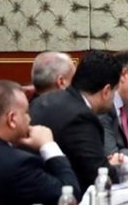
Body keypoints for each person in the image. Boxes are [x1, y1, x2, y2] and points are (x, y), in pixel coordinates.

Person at [0, 80, 81, 205]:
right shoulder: (18, 165)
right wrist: (48, 145)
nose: (30, 119)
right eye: (26, 113)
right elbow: (70, 196)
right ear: (12, 119)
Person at [30, 50, 122, 190]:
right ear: (106, 91)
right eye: (115, 91)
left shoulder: (42, 100)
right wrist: (117, 169)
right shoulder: (81, 118)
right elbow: (97, 176)